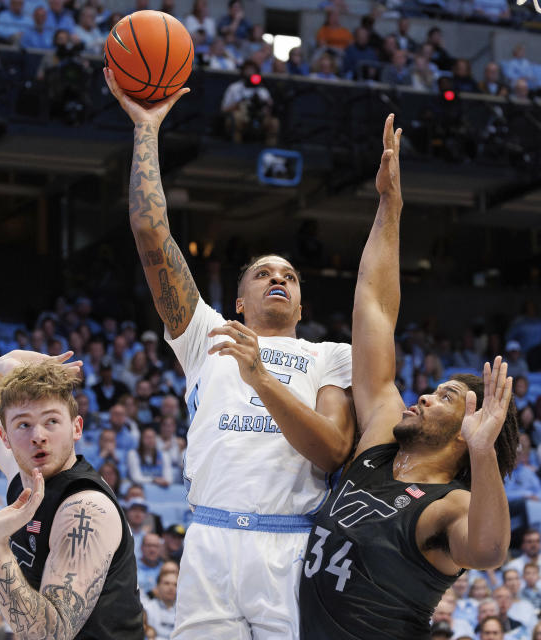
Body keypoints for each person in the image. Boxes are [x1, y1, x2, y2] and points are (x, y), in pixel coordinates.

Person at [104, 67, 356, 640]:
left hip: (290, 542)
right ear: (237, 302)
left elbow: (333, 449)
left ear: (300, 301)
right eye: (263, 273)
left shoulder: (329, 356)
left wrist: (261, 377)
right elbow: (150, 232)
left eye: (289, 276)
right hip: (210, 543)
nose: (278, 278)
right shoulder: (205, 335)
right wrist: (146, 129)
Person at [297, 114, 519, 638]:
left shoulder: (451, 506)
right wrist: (389, 209)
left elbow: (488, 551)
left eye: (445, 395)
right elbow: (373, 308)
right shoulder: (379, 441)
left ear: (468, 433)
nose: (423, 394)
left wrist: (485, 454)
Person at [0, 353, 144, 637]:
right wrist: (6, 364)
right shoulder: (25, 474)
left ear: (76, 428)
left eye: (51, 421)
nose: (38, 435)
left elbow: (51, 635)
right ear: (5, 438)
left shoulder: (84, 508)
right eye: (23, 424)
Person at [142, 566, 177, 640]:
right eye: (167, 583)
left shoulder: (183, 611)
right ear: (158, 586)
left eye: (175, 585)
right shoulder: (147, 609)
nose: (171, 587)